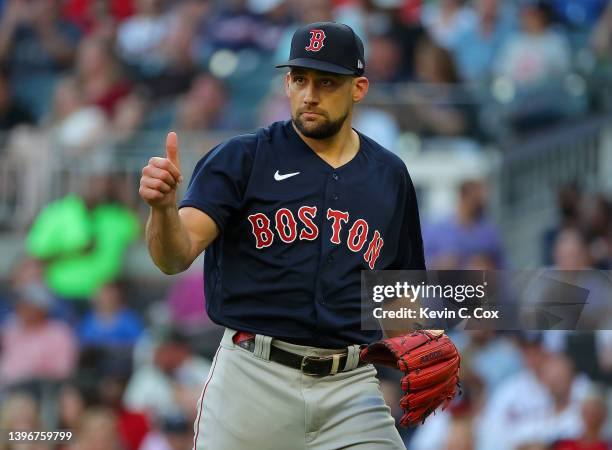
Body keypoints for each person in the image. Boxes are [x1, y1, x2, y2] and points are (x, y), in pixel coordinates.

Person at [139, 22, 449, 450]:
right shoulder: (242, 157)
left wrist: (423, 341)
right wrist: (162, 210)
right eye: (300, 79)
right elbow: (174, 256)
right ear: (287, 82)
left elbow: (397, 295)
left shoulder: (389, 176)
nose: (310, 93)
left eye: (327, 82)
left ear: (358, 88)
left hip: (350, 386)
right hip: (252, 380)